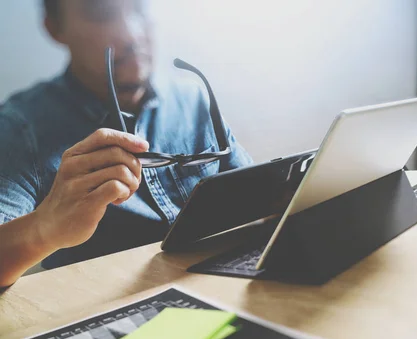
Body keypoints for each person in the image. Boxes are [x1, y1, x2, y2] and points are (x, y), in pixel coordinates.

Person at [0, 0, 253, 287]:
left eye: (140, 7)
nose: (131, 35)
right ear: (55, 28)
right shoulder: (19, 127)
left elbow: (261, 204)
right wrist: (43, 230)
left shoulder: (193, 99)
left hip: (221, 289)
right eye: (100, 14)